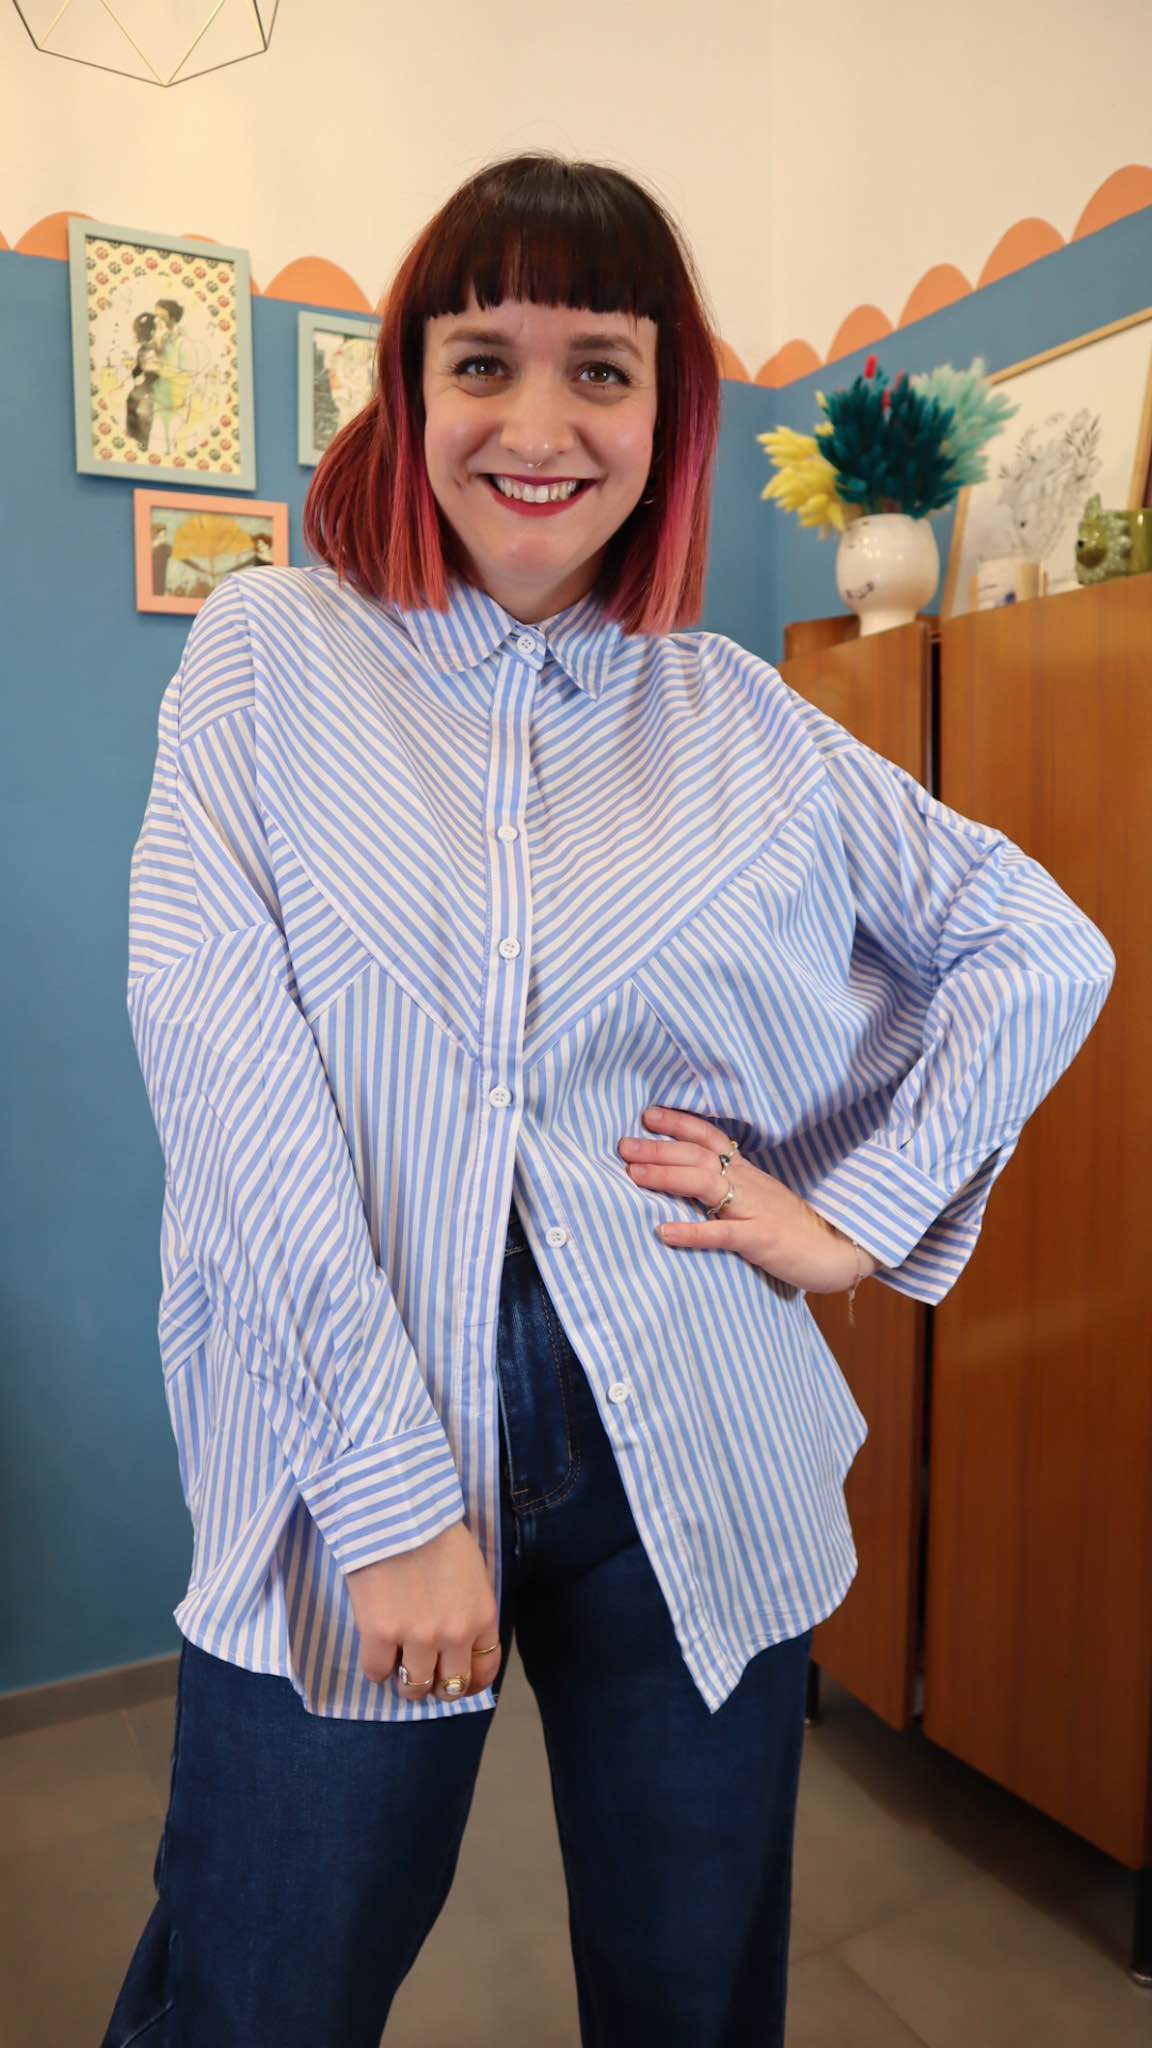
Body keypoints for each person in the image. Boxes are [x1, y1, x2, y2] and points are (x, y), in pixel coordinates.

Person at [103, 153, 1116, 2048]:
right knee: (254, 1992)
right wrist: (388, 1492)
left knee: (692, 1997)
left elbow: (1038, 943)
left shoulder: (736, 715)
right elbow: (222, 1058)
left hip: (692, 1417)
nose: (539, 425)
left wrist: (856, 1217)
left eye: (603, 369)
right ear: (411, 389)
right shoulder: (270, 654)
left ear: (668, 416)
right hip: (357, 1418)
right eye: (484, 361)